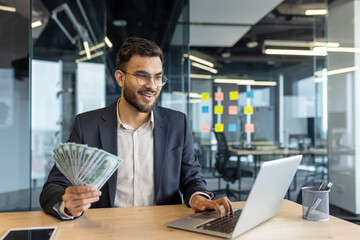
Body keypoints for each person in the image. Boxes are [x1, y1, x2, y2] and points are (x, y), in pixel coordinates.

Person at [40, 37, 232, 220]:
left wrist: (198, 197)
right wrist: (68, 205)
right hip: (106, 231)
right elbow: (53, 187)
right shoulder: (87, 125)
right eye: (142, 76)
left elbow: (191, 179)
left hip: (164, 229)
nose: (152, 86)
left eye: (158, 77)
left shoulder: (177, 123)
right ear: (120, 78)